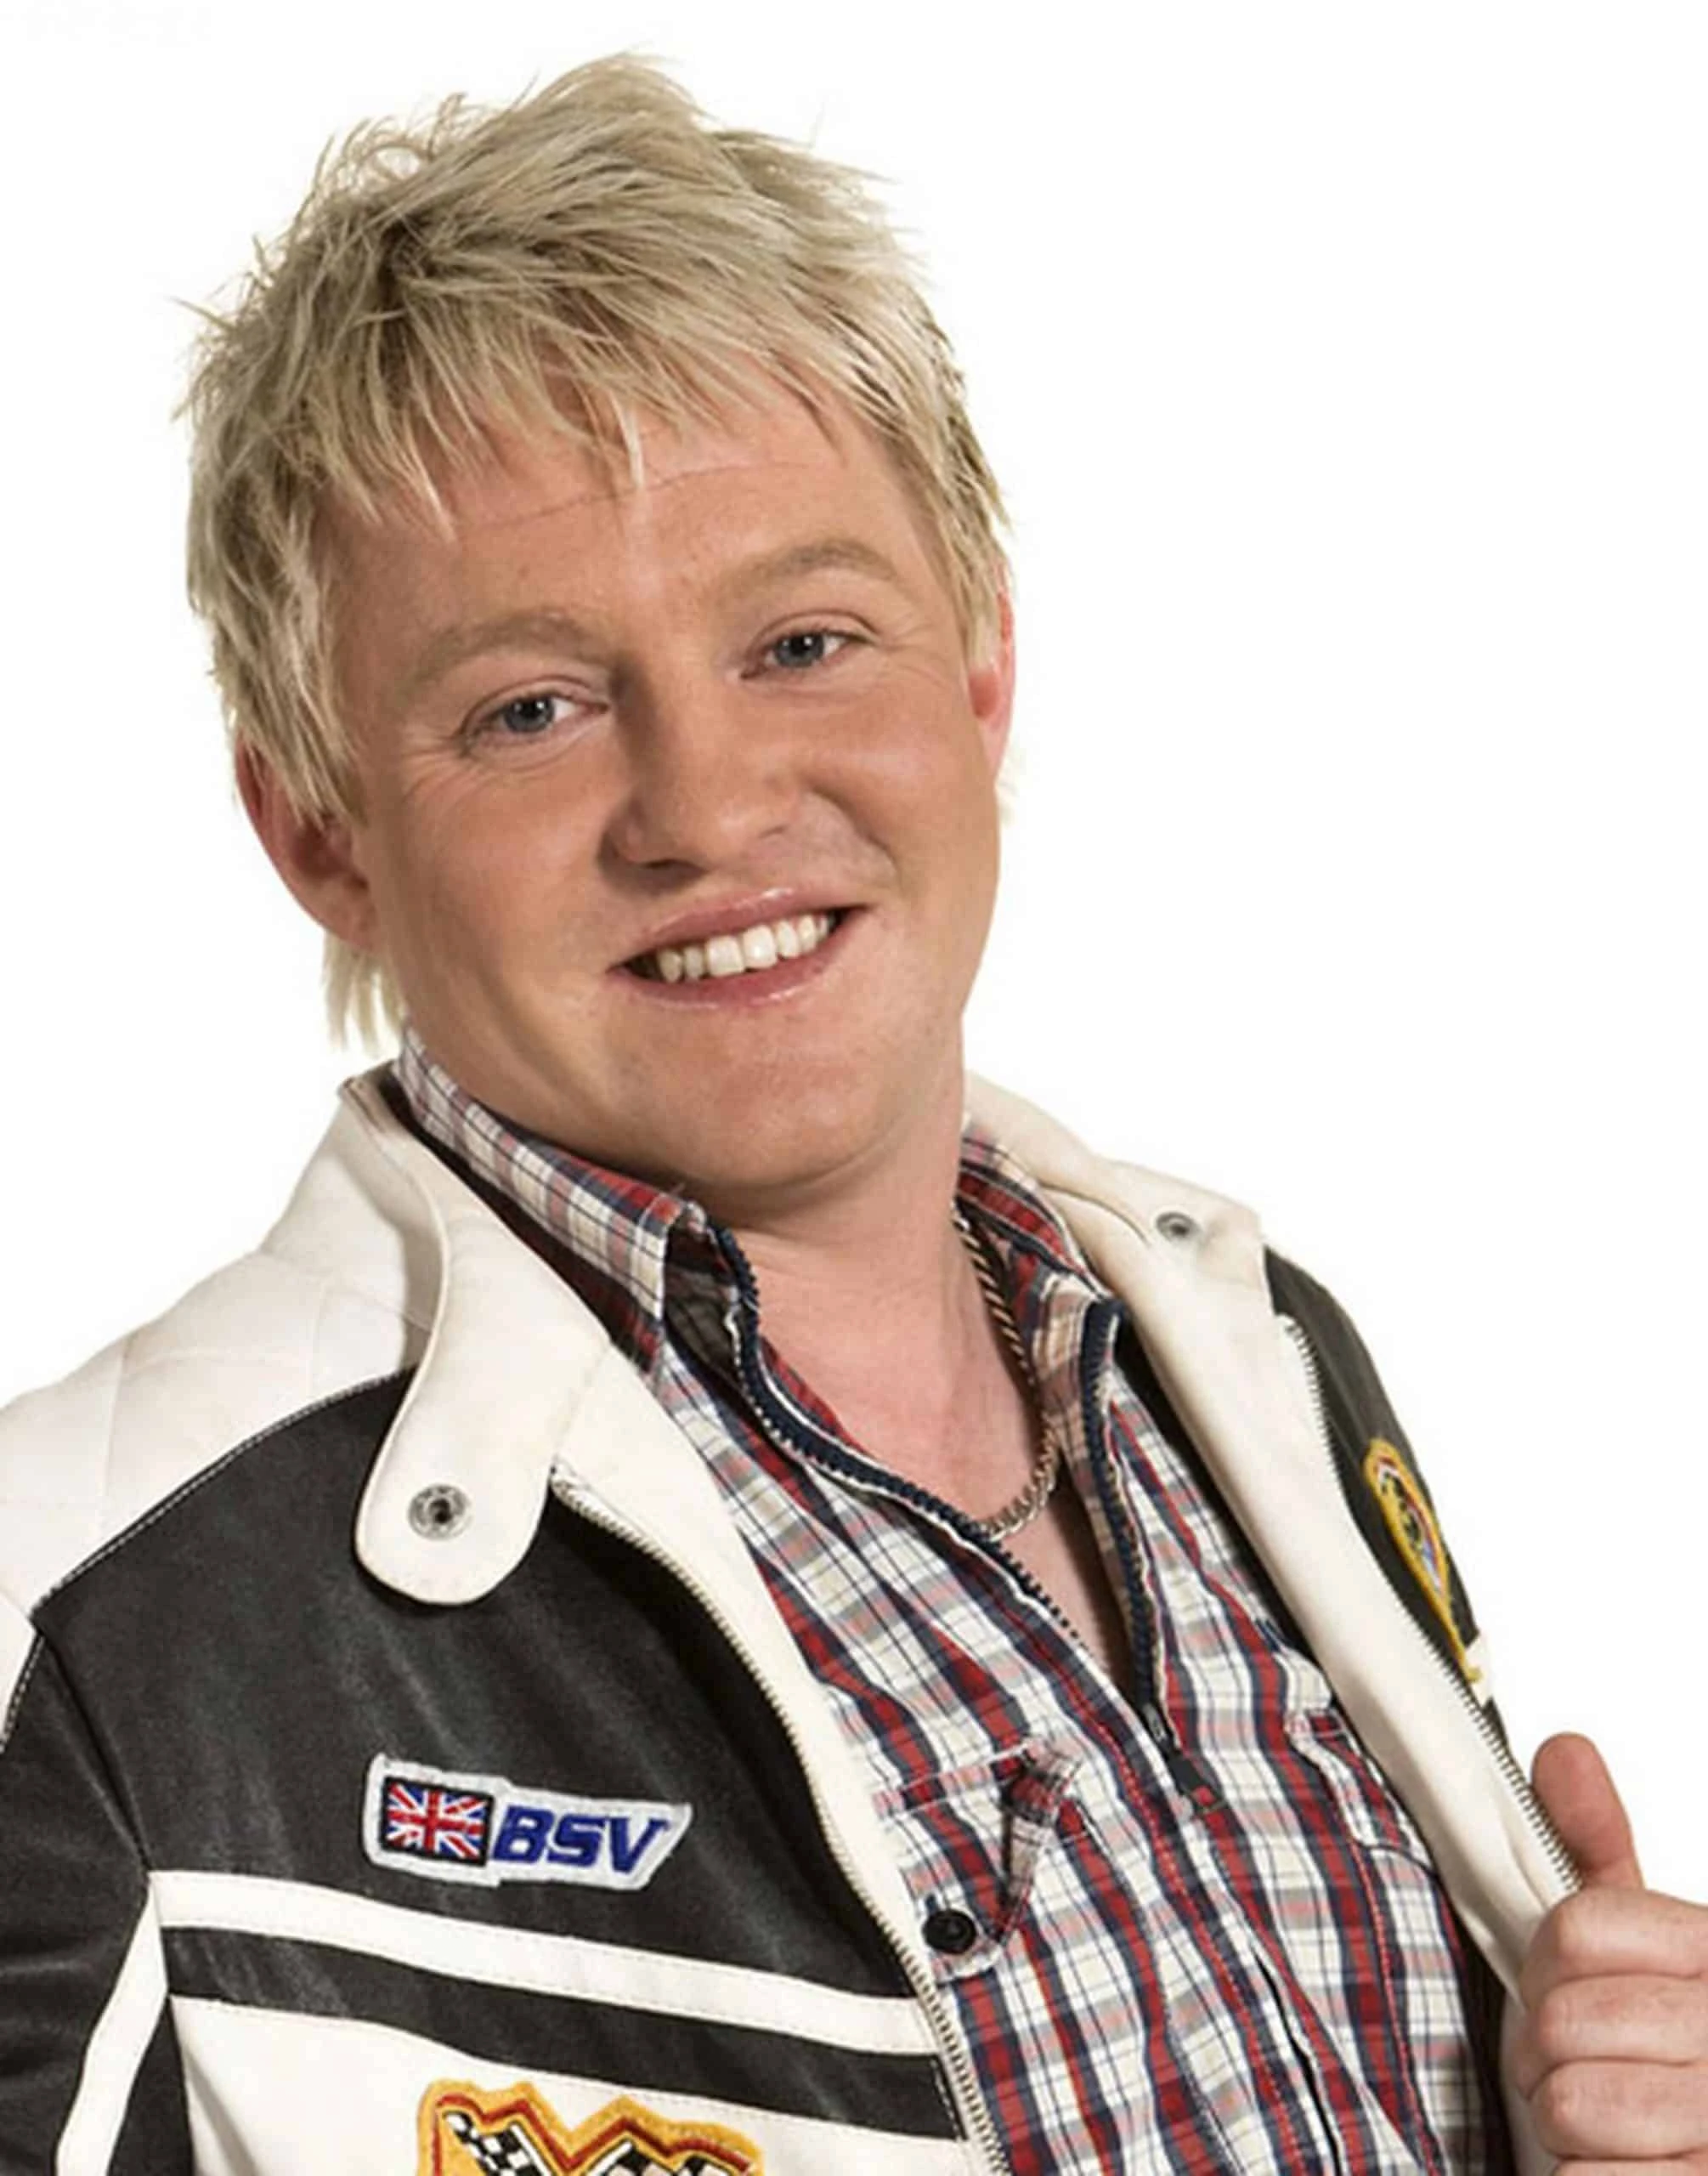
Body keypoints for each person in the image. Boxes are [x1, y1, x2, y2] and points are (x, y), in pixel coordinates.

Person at [0, 54, 1702, 2176]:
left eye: (804, 640)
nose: (709, 806)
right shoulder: (85, 1620)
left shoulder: (1260, 1357)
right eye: (532, 706)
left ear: (981, 672)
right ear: (319, 829)